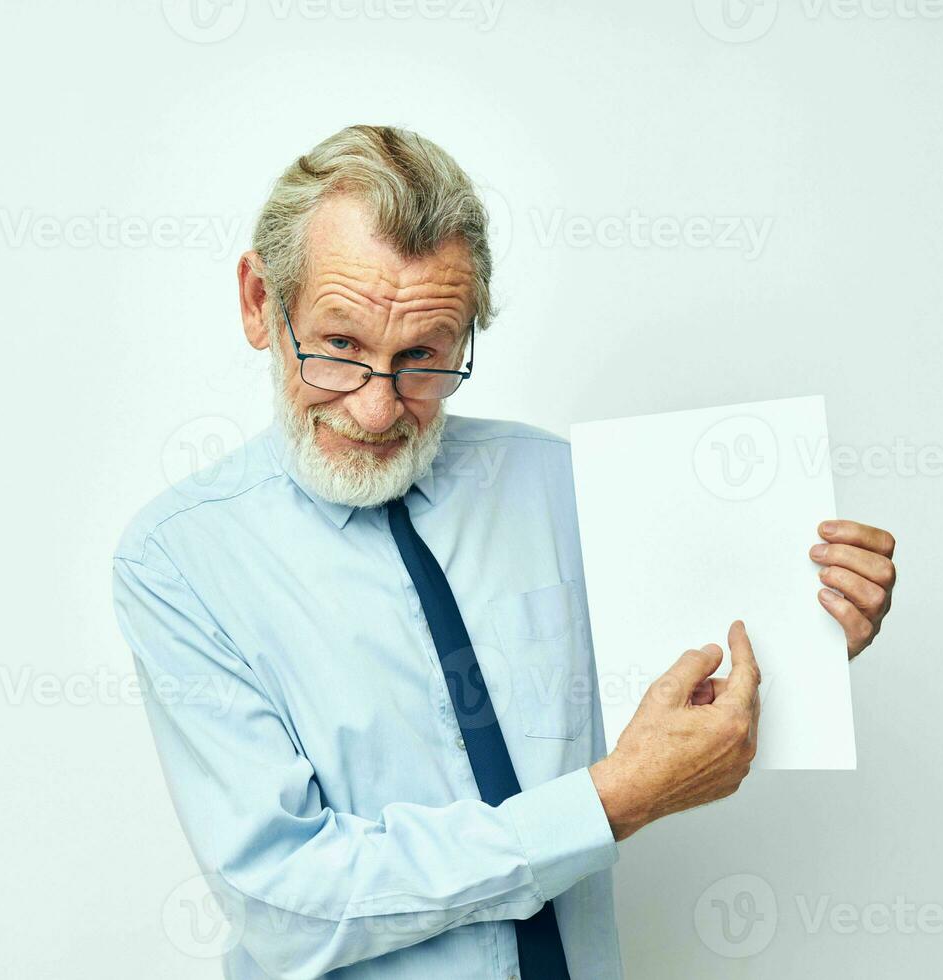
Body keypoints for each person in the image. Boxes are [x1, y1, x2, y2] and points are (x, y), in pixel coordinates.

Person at [112, 124, 898, 979]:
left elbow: (665, 707)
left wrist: (800, 631)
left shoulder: (560, 482)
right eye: (339, 347)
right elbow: (289, 902)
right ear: (261, 304)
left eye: (422, 356)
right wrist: (606, 805)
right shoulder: (179, 562)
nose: (377, 411)